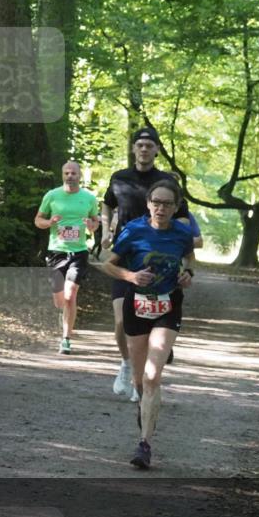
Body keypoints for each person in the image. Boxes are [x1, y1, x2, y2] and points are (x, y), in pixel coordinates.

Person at [100, 177, 194, 469]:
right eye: (156, 202)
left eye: (167, 204)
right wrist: (131, 276)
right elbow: (108, 264)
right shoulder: (133, 230)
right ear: (148, 204)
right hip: (137, 306)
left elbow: (189, 258)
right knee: (140, 380)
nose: (161, 208)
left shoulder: (182, 233)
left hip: (168, 305)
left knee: (153, 376)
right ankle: (145, 408)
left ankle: (144, 444)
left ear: (176, 207)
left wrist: (188, 273)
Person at [100, 127, 199, 401]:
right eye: (140, 145)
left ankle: (146, 373)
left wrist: (176, 244)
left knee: (154, 320)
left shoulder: (165, 182)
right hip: (125, 257)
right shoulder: (119, 178)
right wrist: (107, 229)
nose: (144, 149)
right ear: (133, 148)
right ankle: (127, 365)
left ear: (156, 150)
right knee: (121, 320)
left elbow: (182, 217)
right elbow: (107, 204)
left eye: (149, 145)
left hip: (157, 262)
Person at [34, 161, 100, 354]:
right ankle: (63, 314)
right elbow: (38, 220)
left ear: (79, 176)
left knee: (70, 296)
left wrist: (91, 225)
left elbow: (95, 222)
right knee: (60, 301)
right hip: (56, 252)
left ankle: (66, 338)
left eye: (73, 173)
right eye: (66, 173)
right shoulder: (52, 196)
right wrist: (49, 222)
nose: (70, 176)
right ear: (62, 175)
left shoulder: (88, 198)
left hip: (78, 252)